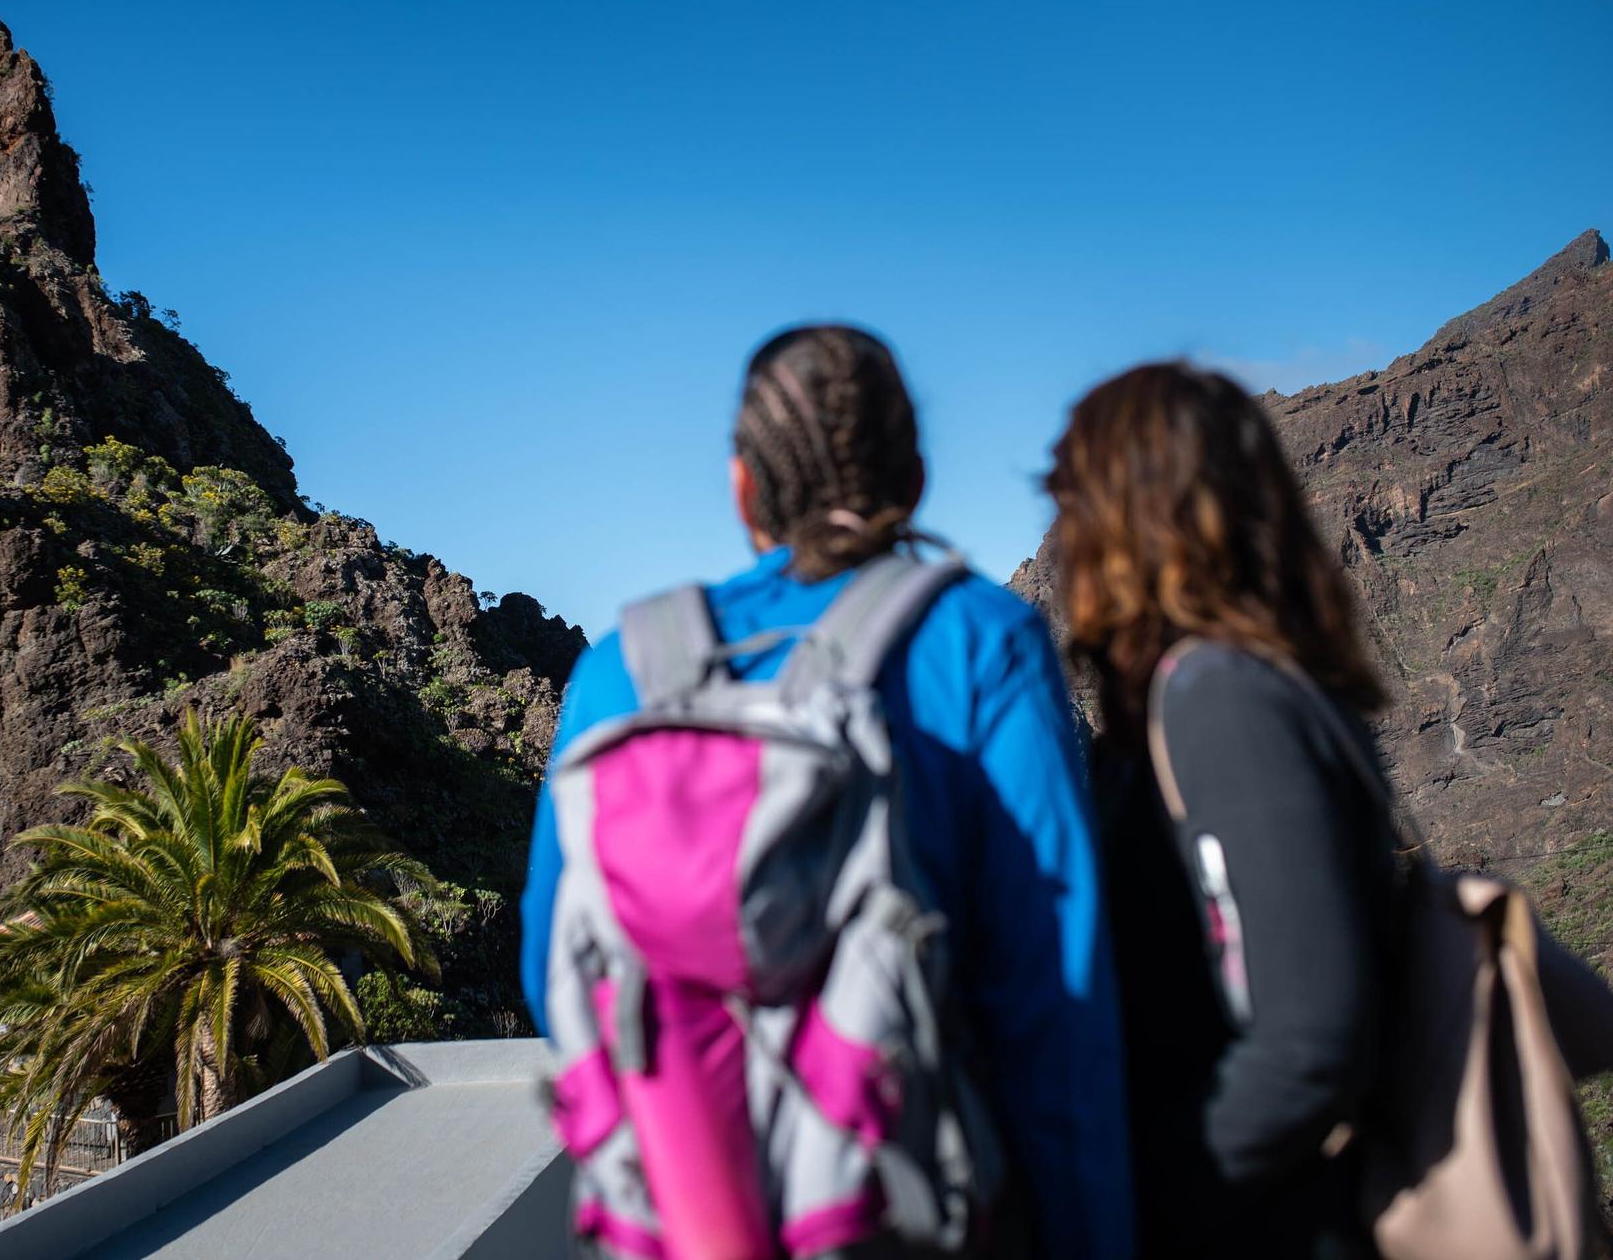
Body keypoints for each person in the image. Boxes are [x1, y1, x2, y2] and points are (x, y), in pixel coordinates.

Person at [520, 325, 1133, 1259]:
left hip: (684, 1224)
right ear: (913, 479)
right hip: (913, 1214)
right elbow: (1055, 996)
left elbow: (552, 967)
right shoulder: (982, 641)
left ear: (743, 488)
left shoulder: (619, 674)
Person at [1045, 361, 1397, 1258]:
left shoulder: (1219, 696)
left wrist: (1139, 1204)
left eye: (1074, 503)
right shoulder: (1262, 681)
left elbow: (1309, 1039)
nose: (1060, 540)